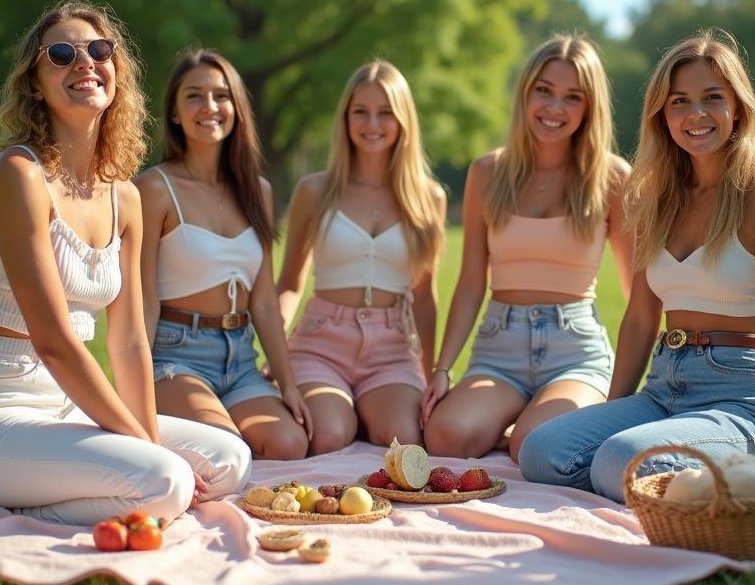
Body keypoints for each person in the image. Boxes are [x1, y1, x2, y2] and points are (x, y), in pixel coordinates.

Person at [0, 0, 251, 525]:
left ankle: (34, 494)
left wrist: (147, 436)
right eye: (61, 54)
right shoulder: (18, 175)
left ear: (115, 70)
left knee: (229, 461)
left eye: (99, 50)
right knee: (165, 483)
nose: (84, 62)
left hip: (68, 408)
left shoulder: (125, 197)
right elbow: (55, 343)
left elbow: (127, 344)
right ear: (34, 83)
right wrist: (152, 452)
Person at [519, 29, 755, 501]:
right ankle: (668, 470)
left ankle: (726, 457)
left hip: (741, 395)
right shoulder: (655, 199)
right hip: (663, 385)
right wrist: (608, 418)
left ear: (738, 106)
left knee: (619, 462)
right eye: (679, 101)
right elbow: (638, 320)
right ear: (661, 114)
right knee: (541, 451)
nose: (696, 114)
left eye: (712, 97)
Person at [421, 34, 633, 462]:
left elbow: (638, 292)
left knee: (536, 445)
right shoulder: (487, 171)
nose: (554, 108)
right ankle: (519, 421)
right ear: (526, 93)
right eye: (544, 91)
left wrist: (635, 384)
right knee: (443, 437)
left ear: (589, 107)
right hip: (499, 348)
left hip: (575, 350)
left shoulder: (611, 176)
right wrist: (443, 369)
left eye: (572, 97)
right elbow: (469, 283)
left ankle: (527, 428)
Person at [135, 49, 311, 460]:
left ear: (236, 107)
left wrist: (288, 384)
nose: (210, 107)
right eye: (194, 96)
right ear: (175, 113)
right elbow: (142, 301)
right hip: (176, 354)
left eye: (221, 96)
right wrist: (137, 386)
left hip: (241, 357)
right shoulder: (154, 188)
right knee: (227, 449)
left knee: (291, 444)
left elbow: (265, 302)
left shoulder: (258, 192)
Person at [276, 61, 446, 454]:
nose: (373, 123)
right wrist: (278, 356)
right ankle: (346, 415)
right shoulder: (314, 191)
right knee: (329, 434)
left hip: (392, 348)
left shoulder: (428, 197)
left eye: (386, 112)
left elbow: (425, 296)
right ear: (346, 118)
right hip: (321, 343)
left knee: (406, 438)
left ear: (403, 119)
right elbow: (289, 284)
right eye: (361, 111)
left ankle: (366, 413)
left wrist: (431, 374)